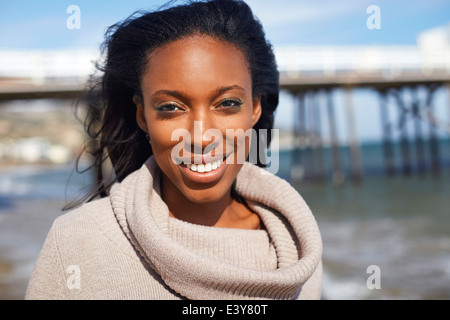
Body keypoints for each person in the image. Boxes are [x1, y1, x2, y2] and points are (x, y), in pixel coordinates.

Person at [25, 0, 322, 300]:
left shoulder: (299, 247)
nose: (201, 137)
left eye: (228, 103)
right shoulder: (78, 242)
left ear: (255, 107)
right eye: (170, 108)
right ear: (142, 115)